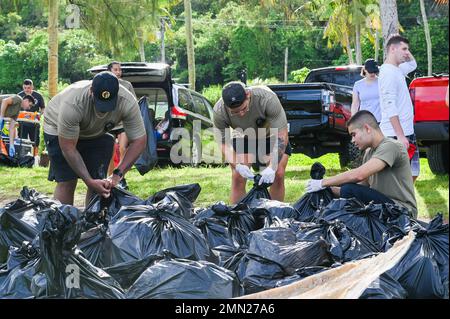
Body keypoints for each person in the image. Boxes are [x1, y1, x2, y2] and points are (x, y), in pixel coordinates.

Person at [43, 71, 146, 206]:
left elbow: (139, 141)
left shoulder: (127, 101)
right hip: (57, 128)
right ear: (91, 91)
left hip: (96, 131)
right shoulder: (73, 103)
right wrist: (88, 180)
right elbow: (68, 148)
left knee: (99, 181)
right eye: (100, 103)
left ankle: (92, 222)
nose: (104, 110)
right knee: (67, 181)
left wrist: (118, 174)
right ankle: (62, 223)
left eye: (109, 104)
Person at [305, 110, 417, 218]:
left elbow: (359, 175)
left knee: (349, 189)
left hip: (402, 211)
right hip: (384, 207)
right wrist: (329, 190)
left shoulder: (391, 146)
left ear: (367, 128)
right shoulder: (369, 152)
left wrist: (323, 183)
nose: (352, 140)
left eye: (354, 134)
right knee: (346, 189)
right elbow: (363, 185)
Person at [213, 81, 291, 204]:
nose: (241, 114)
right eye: (235, 112)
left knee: (278, 173)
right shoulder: (219, 111)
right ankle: (238, 218)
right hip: (243, 135)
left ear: (248, 95)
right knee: (238, 176)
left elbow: (281, 136)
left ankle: (276, 213)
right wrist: (238, 166)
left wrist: (272, 167)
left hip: (270, 134)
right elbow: (223, 144)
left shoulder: (267, 99)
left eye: (243, 108)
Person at [378, 34, 419, 183]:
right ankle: (397, 205)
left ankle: (404, 204)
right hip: (395, 135)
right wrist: (400, 136)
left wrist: (407, 50)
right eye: (404, 49)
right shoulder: (388, 72)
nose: (407, 53)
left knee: (412, 174)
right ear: (392, 49)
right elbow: (390, 106)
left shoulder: (398, 69)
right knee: (398, 179)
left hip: (407, 131)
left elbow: (413, 64)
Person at [106, 61, 137, 189]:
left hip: (123, 121)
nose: (118, 72)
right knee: (110, 151)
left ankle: (121, 177)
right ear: (110, 71)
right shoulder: (105, 84)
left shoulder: (127, 85)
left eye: (120, 70)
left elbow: (133, 101)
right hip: (108, 122)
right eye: (116, 70)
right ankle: (109, 177)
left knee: (123, 148)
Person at [17, 79, 46, 149]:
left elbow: (43, 108)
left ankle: (35, 156)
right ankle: (22, 156)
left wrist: (40, 114)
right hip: (22, 123)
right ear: (23, 87)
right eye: (25, 88)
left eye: (28, 88)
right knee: (22, 142)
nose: (27, 90)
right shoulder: (19, 96)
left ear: (32, 87)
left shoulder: (38, 96)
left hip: (34, 123)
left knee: (35, 142)